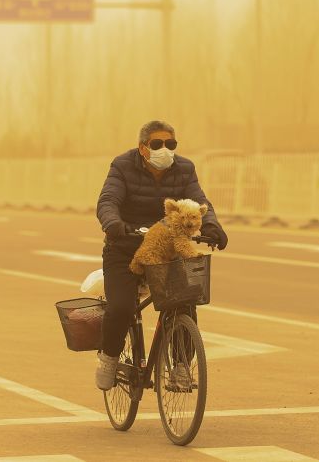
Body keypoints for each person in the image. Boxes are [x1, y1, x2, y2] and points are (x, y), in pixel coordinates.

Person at [94, 120, 228, 390]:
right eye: (157, 144)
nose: (164, 149)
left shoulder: (185, 169)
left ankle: (180, 367)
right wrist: (113, 224)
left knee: (185, 302)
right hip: (125, 247)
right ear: (143, 148)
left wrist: (212, 226)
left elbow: (199, 201)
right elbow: (108, 200)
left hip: (169, 249)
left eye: (170, 144)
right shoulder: (122, 165)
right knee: (121, 307)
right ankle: (108, 357)